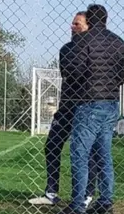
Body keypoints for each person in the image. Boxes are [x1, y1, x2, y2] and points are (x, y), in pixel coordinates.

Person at [58, 4, 124, 214]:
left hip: (88, 102)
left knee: (80, 153)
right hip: (111, 102)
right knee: (104, 153)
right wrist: (109, 83)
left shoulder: (83, 40)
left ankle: (78, 204)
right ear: (106, 19)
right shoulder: (118, 42)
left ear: (89, 19)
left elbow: (74, 71)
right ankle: (106, 202)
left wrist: (87, 83)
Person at [29, 12, 97, 208]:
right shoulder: (66, 49)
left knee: (89, 150)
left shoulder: (96, 49)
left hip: (86, 107)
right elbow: (70, 73)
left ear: (88, 26)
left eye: (77, 24)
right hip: (66, 106)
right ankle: (51, 192)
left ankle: (88, 194)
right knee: (52, 145)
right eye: (72, 23)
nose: (72, 27)